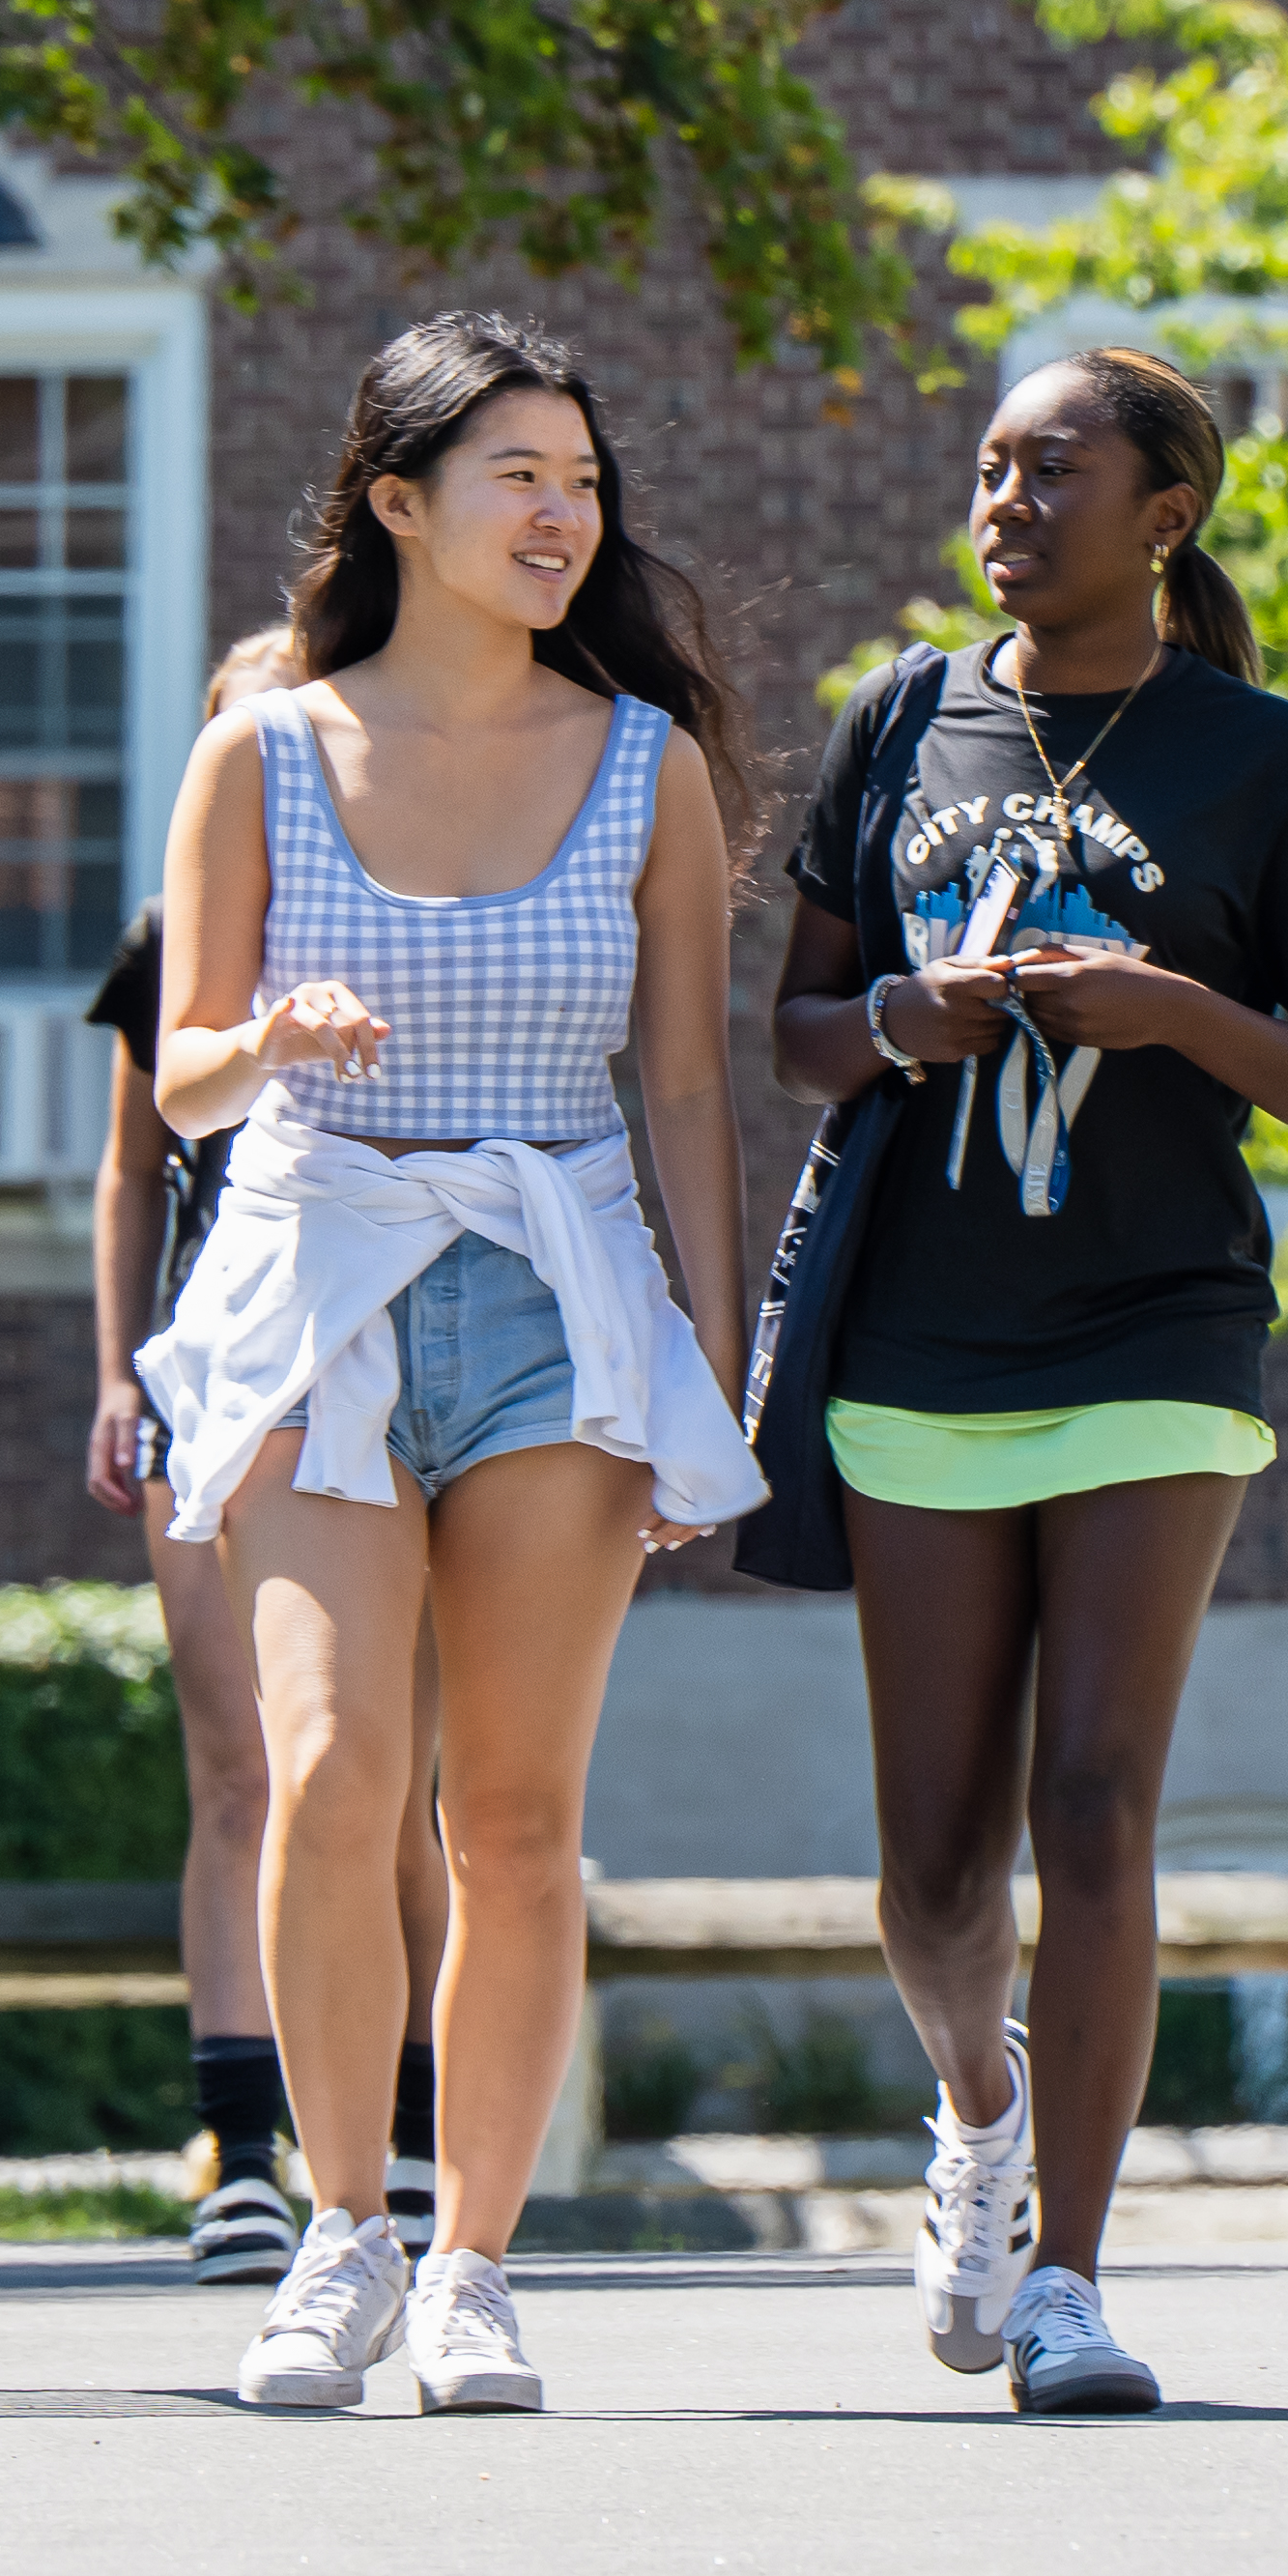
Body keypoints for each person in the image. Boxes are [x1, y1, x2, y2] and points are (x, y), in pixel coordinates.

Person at [765, 347, 1288, 2417]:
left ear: (1168, 512)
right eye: (988, 468)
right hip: (919, 1333)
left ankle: (1073, 2276)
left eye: (1053, 468)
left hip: (1157, 1327)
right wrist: (903, 1010)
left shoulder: (1262, 760)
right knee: (936, 1867)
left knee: (1096, 1798)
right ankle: (981, 2111)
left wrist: (1172, 1008)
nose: (1006, 499)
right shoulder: (898, 719)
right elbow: (788, 1026)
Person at [136, 314, 764, 2416]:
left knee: (512, 1812)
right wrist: (274, 1040)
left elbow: (683, 1086)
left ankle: (479, 2260)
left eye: (580, 478)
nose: (562, 510)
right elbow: (182, 1085)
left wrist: (712, 1371)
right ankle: (341, 2227)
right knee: (328, 1769)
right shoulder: (261, 751)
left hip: (559, 1290)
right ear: (397, 500)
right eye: (517, 471)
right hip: (322, 1273)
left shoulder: (646, 766)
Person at [85, 625, 452, 2285]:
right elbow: (128, 1164)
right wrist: (116, 1374)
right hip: (216, 1368)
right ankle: (239, 2143)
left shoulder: (415, 903)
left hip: (383, 1349)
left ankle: (421, 2126)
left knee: (396, 1785)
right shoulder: (171, 943)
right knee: (244, 1762)